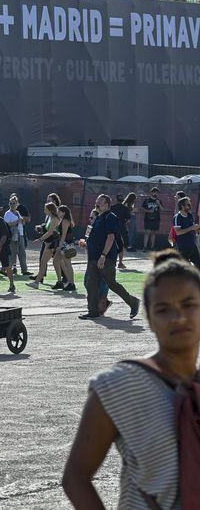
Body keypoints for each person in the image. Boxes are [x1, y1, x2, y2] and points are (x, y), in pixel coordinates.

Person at [62, 250, 200, 509]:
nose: (178, 317)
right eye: (163, 309)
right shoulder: (119, 385)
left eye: (189, 304)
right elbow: (76, 477)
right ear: (149, 318)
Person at [79, 194, 141, 321]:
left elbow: (111, 238)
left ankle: (133, 302)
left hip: (105, 258)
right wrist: (85, 243)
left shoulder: (110, 217)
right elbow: (94, 237)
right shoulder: (98, 218)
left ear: (107, 204)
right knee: (91, 283)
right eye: (97, 201)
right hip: (93, 258)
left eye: (100, 202)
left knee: (112, 284)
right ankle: (93, 311)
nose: (97, 203)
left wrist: (103, 255)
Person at [30, 201, 63, 287]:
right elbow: (48, 230)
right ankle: (60, 282)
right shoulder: (50, 218)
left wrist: (40, 239)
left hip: (52, 243)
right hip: (49, 243)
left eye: (46, 209)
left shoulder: (55, 219)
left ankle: (36, 282)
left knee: (45, 262)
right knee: (47, 262)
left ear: (50, 210)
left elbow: (50, 232)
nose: (44, 210)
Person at [53, 206, 78, 292]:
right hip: (63, 244)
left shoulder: (65, 221)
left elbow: (64, 234)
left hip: (66, 245)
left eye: (59, 211)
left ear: (63, 212)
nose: (58, 213)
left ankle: (72, 284)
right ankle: (63, 282)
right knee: (56, 260)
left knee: (68, 264)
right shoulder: (63, 220)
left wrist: (60, 246)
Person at [5, 195, 30, 276]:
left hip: (20, 234)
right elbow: (7, 225)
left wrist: (22, 221)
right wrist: (17, 221)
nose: (12, 205)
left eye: (13, 203)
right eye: (10, 203)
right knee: (12, 254)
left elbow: (23, 222)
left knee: (22, 253)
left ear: (17, 204)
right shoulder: (7, 213)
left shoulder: (18, 212)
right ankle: (8, 270)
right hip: (12, 236)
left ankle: (24, 270)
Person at [113, 192, 135, 270]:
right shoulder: (125, 208)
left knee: (112, 244)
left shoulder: (112, 207)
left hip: (112, 228)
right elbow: (128, 220)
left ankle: (113, 261)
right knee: (122, 246)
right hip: (122, 228)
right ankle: (120, 262)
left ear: (116, 199)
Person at [142, 187, 163, 252]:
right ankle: (144, 247)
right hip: (148, 218)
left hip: (156, 219)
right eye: (154, 192)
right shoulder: (147, 200)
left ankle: (152, 247)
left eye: (156, 192)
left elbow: (162, 210)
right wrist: (148, 211)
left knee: (153, 233)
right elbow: (142, 208)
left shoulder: (159, 201)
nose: (155, 193)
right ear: (151, 193)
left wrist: (159, 204)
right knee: (147, 232)